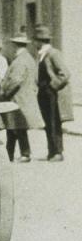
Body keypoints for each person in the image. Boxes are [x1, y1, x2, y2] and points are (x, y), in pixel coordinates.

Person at [0, 34, 44, 162]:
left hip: (17, 98)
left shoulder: (19, 60)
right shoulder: (29, 58)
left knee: (16, 127)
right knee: (15, 128)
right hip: (24, 97)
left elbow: (15, 80)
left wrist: (5, 93)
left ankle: (23, 154)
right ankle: (13, 154)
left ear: (15, 45)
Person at [35, 25, 74, 161]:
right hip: (44, 93)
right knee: (48, 123)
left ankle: (57, 152)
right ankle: (51, 151)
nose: (35, 43)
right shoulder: (42, 55)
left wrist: (53, 86)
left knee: (54, 122)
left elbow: (65, 74)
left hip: (51, 94)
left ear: (40, 41)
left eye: (36, 40)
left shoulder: (53, 53)